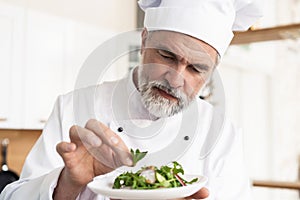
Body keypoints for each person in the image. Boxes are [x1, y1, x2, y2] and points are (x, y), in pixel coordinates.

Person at [0, 0, 262, 199]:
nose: (175, 79)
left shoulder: (220, 131)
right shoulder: (72, 106)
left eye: (196, 69)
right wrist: (68, 182)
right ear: (144, 39)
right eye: (167, 56)